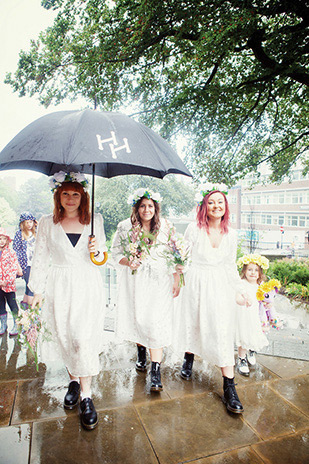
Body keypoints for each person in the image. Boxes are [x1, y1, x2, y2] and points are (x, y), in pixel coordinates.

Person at [29, 171, 107, 430]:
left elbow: (102, 259)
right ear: (58, 196)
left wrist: (97, 252)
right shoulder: (46, 222)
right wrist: (36, 290)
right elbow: (39, 258)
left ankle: (86, 395)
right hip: (59, 285)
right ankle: (73, 380)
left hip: (87, 284)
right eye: (66, 193)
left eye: (76, 194)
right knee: (66, 336)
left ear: (83, 196)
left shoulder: (94, 220)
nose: (71, 199)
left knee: (83, 338)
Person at [174, 183, 250, 414]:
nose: (216, 206)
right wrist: (176, 279)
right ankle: (189, 356)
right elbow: (183, 258)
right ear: (204, 207)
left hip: (219, 285)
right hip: (196, 281)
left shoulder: (232, 234)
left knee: (221, 330)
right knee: (194, 322)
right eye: (211, 202)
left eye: (220, 202)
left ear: (226, 206)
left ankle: (229, 386)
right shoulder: (193, 229)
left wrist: (241, 289)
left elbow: (229, 265)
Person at [111, 188, 180, 392]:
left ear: (156, 208)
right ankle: (141, 351)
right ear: (136, 207)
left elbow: (178, 253)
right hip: (136, 281)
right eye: (142, 205)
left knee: (155, 322)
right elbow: (115, 253)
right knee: (140, 318)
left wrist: (177, 277)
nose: (146, 209)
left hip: (160, 281)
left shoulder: (167, 226)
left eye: (150, 206)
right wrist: (128, 261)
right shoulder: (125, 227)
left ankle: (156, 369)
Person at [235, 254, 269, 376]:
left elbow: (265, 301)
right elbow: (237, 297)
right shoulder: (242, 284)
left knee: (254, 334)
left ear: (260, 273)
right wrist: (243, 300)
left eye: (256, 270)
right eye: (250, 269)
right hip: (244, 316)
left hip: (256, 316)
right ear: (244, 271)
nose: (253, 273)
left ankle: (251, 351)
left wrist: (268, 305)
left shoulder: (260, 286)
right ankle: (241, 358)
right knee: (244, 336)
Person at [13, 212, 37, 308]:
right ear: (23, 223)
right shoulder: (19, 234)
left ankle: (24, 308)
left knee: (29, 287)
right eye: (27, 222)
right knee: (31, 285)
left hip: (35, 263)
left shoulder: (36, 233)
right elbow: (16, 250)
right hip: (25, 264)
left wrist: (37, 224)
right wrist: (18, 266)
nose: (29, 224)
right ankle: (32, 309)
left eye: (31, 222)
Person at [0, 228, 19, 336]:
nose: (1, 241)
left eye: (4, 239)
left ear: (7, 240)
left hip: (9, 285)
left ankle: (17, 323)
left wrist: (7, 281)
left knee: (12, 303)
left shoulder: (11, 253)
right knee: (0, 304)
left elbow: (13, 268)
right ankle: (3, 324)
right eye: (0, 239)